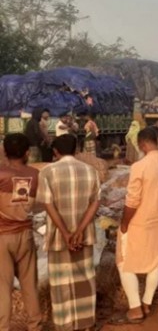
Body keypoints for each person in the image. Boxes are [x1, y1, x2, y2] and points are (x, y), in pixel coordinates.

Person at [111, 128, 158, 325]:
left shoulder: (139, 166)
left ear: (142, 144)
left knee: (124, 262)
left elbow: (132, 201)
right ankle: (147, 302)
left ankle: (135, 308)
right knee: (154, 262)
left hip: (138, 222)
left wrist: (124, 223)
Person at [36, 135, 100, 331]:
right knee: (85, 279)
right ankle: (86, 323)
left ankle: (65, 324)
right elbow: (95, 203)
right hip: (84, 236)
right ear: (76, 150)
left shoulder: (47, 172)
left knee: (61, 282)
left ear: (55, 152)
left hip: (59, 237)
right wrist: (79, 230)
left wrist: (65, 233)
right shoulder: (91, 171)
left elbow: (48, 205)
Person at [0, 134, 42, 331]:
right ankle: (35, 326)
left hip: (2, 237)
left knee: (3, 288)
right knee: (29, 286)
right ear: (27, 153)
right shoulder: (35, 174)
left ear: (4, 152)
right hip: (26, 236)